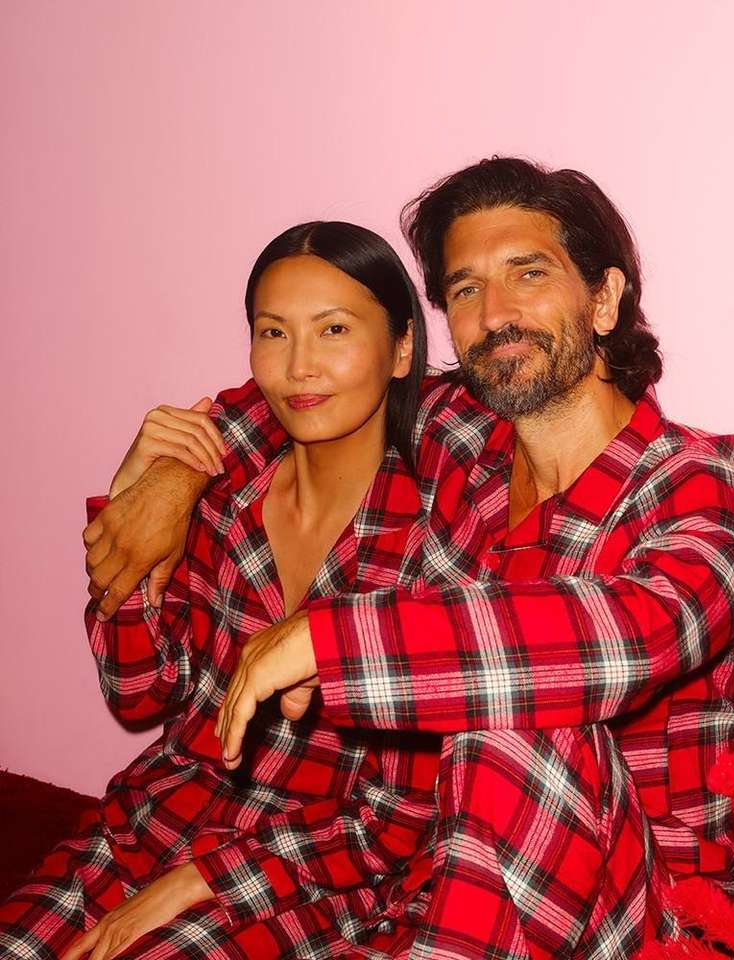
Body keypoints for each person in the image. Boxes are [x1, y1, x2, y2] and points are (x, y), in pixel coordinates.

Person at [83, 158, 734, 957]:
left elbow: (636, 633)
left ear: (604, 298)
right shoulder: (463, 445)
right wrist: (168, 479)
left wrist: (329, 638)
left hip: (637, 916)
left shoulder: (700, 478)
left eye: (528, 274)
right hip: (437, 891)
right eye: (466, 289)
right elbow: (307, 396)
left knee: (517, 711)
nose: (495, 313)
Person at [0, 221, 440, 959]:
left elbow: (399, 819)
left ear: (400, 349)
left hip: (305, 872)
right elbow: (137, 692)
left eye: (333, 329)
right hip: (152, 822)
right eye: (273, 332)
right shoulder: (224, 492)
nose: (299, 366)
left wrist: (203, 879)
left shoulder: (435, 535)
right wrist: (132, 502)